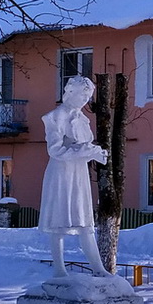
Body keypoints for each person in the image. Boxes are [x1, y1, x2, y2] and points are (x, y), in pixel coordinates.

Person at [39, 76, 110, 277]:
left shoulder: (82, 119)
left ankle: (98, 269)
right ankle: (60, 271)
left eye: (88, 97)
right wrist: (85, 151)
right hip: (61, 174)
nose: (85, 100)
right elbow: (56, 151)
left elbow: (83, 146)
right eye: (82, 95)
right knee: (58, 223)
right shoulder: (54, 117)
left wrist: (95, 153)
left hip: (79, 174)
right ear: (70, 92)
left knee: (85, 223)